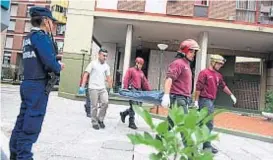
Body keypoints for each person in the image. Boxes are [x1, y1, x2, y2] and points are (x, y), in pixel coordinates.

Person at [9, 6, 64, 160]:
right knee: (32, 124)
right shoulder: (41, 37)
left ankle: (15, 153)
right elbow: (49, 63)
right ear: (45, 21)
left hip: (27, 83)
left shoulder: (29, 37)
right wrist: (58, 66)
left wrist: (53, 61)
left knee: (22, 122)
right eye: (52, 22)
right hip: (38, 87)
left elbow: (37, 58)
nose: (53, 25)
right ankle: (24, 156)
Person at [194, 54, 237, 154]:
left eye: (221, 64)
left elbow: (223, 86)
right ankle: (206, 146)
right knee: (208, 123)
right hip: (204, 100)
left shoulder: (218, 75)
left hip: (211, 101)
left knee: (203, 123)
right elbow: (198, 88)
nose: (220, 66)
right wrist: (195, 101)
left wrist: (231, 95)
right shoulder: (204, 73)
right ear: (213, 62)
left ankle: (201, 144)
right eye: (219, 63)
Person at [161, 39, 200, 133]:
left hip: (184, 98)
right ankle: (189, 145)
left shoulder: (187, 64)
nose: (193, 54)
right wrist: (166, 95)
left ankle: (159, 137)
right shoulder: (178, 63)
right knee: (185, 123)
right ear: (184, 51)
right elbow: (169, 78)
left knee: (172, 121)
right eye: (191, 51)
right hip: (178, 98)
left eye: (194, 52)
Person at [79, 48, 112, 130]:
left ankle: (100, 119)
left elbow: (108, 77)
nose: (105, 57)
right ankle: (94, 122)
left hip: (102, 88)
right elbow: (86, 74)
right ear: (99, 55)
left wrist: (111, 87)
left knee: (105, 102)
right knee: (94, 106)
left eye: (106, 56)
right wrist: (82, 86)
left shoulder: (106, 66)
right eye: (104, 55)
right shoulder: (93, 64)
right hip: (93, 88)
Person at [120, 57, 152, 129]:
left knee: (137, 107)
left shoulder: (141, 73)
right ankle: (131, 122)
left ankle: (124, 113)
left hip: (139, 91)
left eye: (142, 64)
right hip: (132, 90)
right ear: (136, 63)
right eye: (139, 64)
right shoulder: (130, 70)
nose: (140, 66)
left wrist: (149, 90)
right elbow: (126, 79)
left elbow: (145, 82)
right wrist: (125, 88)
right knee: (134, 106)